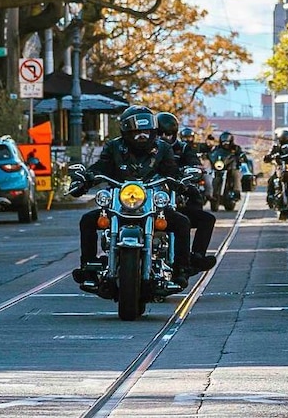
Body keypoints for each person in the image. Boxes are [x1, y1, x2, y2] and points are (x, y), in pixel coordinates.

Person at [70, 105, 194, 288]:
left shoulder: (163, 148)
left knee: (182, 222)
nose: (142, 136)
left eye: (145, 131)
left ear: (153, 129)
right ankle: (88, 269)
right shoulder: (114, 147)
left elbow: (171, 170)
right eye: (137, 132)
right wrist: (85, 178)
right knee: (87, 221)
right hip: (119, 204)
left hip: (152, 204)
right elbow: (101, 167)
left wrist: (183, 181)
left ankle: (180, 270)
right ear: (126, 131)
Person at [157, 112, 218, 275]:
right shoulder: (146, 149)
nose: (164, 137)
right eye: (160, 133)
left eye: (168, 134)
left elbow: (195, 165)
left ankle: (196, 257)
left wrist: (191, 173)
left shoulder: (183, 148)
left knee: (206, 219)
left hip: (174, 198)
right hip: (145, 202)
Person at [207, 131, 248, 199]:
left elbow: (241, 153)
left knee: (236, 174)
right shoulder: (217, 148)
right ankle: (212, 193)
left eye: (227, 141)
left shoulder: (235, 148)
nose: (225, 143)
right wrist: (207, 155)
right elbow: (212, 154)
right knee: (212, 175)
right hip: (221, 166)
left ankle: (236, 192)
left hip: (232, 167)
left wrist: (241, 156)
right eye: (224, 140)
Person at [264, 128, 288, 208]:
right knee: (271, 180)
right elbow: (268, 156)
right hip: (280, 168)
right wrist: (270, 157)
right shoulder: (276, 148)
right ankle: (270, 197)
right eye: (285, 141)